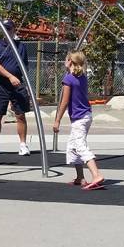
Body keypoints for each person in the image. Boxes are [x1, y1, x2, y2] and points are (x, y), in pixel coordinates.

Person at [52, 51, 105, 190]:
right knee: (72, 147)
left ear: (69, 61)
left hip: (79, 118)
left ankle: (96, 174)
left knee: (80, 146)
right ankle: (80, 177)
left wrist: (57, 120)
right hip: (86, 115)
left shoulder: (68, 79)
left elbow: (64, 102)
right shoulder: (82, 77)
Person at [0, 19, 32, 156]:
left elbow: (24, 65)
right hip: (1, 84)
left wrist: (19, 79)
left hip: (17, 85)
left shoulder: (20, 46)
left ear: (13, 30)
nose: (7, 31)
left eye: (9, 29)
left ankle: (23, 144)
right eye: (4, 28)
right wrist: (9, 76)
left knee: (20, 115)